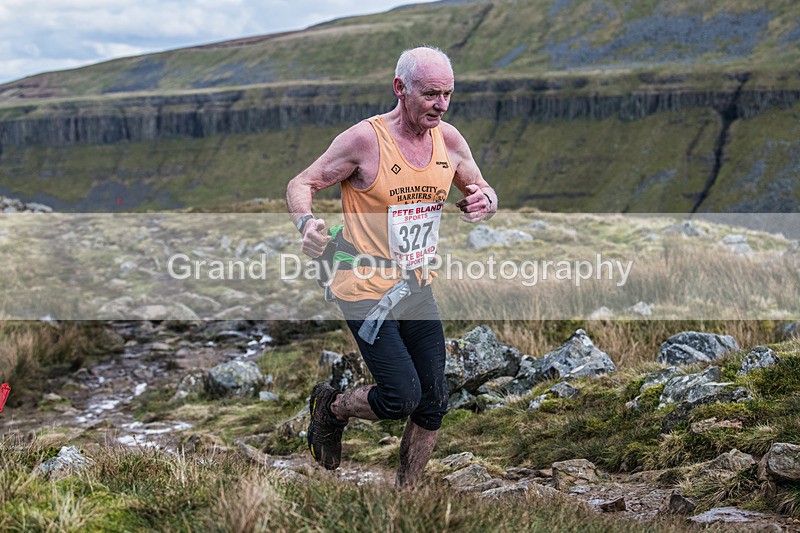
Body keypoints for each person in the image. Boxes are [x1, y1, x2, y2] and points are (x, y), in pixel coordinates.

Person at [286, 45, 497, 489]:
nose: (440, 104)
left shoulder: (450, 140)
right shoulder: (364, 141)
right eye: (431, 94)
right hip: (362, 286)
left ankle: (407, 496)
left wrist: (486, 201)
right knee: (402, 395)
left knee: (434, 401)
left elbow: (480, 187)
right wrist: (307, 223)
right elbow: (302, 182)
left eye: (448, 94)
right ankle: (332, 407)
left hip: (416, 285)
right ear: (400, 89)